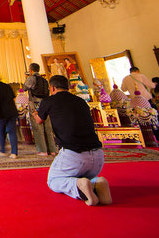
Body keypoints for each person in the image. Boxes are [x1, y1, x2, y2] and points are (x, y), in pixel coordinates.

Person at [31, 75, 112, 206]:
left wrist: (34, 113)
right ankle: (97, 183)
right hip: (98, 157)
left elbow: (39, 120)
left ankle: (79, 187)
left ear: (52, 88)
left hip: (74, 154)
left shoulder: (49, 101)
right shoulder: (81, 101)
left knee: (53, 180)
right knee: (82, 175)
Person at [22, 63, 57, 156]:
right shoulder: (44, 80)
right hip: (45, 103)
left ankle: (42, 150)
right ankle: (52, 149)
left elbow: (24, 88)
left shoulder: (31, 78)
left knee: (38, 127)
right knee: (48, 127)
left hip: (35, 103)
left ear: (30, 70)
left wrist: (26, 78)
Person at [121, 66, 159, 140]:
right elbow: (152, 85)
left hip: (135, 101)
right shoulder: (140, 76)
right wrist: (155, 84)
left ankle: (145, 136)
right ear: (137, 71)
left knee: (139, 118)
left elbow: (123, 89)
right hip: (145, 99)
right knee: (153, 117)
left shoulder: (126, 78)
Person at [0, 73, 18, 158]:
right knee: (12, 132)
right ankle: (14, 153)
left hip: (2, 112)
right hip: (12, 111)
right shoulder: (7, 86)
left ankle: (3, 150)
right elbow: (13, 98)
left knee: (1, 131)